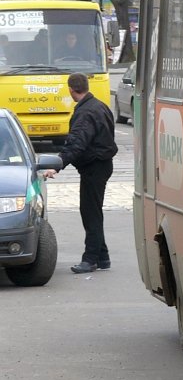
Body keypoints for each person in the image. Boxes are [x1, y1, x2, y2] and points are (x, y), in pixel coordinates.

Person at [43, 72, 117, 273]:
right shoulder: (99, 105)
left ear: (70, 89)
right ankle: (102, 257)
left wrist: (56, 165)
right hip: (102, 164)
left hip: (94, 166)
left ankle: (90, 259)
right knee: (93, 211)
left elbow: (76, 144)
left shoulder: (85, 113)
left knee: (90, 212)